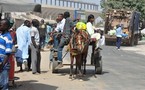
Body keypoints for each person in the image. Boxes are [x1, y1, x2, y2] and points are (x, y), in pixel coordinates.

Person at [0, 19, 13, 90]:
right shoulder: (1, 35)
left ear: (6, 26)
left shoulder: (8, 37)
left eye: (1, 25)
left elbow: (8, 53)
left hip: (3, 65)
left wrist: (2, 65)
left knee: (3, 85)